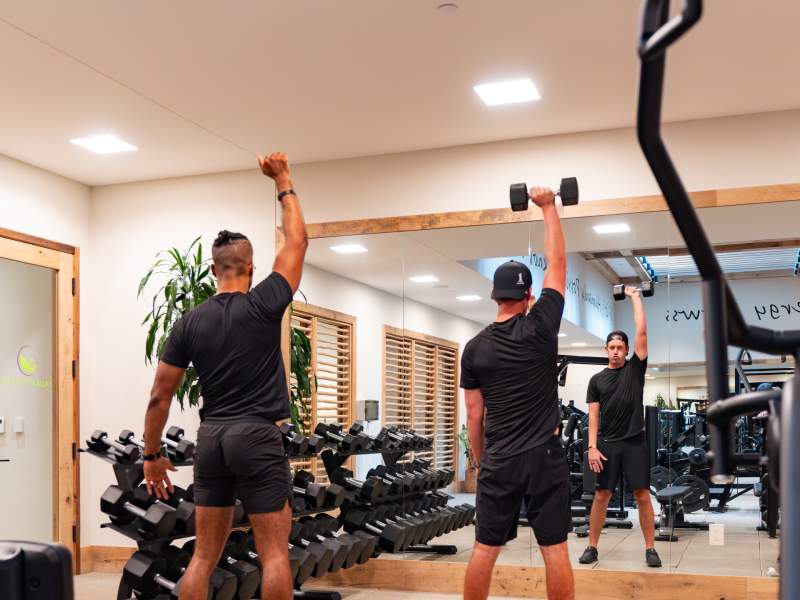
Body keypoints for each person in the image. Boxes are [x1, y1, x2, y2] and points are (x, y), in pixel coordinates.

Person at [140, 152, 307, 600]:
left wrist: (152, 454)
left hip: (212, 438)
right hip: (257, 436)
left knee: (202, 557)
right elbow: (297, 244)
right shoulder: (265, 302)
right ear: (251, 268)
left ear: (213, 270)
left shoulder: (188, 322)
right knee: (273, 555)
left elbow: (160, 396)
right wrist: (283, 181)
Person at [460, 187, 573, 600]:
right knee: (555, 549)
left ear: (495, 296)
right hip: (545, 456)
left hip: (501, 458)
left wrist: (480, 459)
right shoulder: (541, 326)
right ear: (528, 297)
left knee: (484, 549)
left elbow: (474, 416)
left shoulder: (474, 349)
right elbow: (557, 264)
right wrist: (548, 207)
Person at [579, 286, 661, 568]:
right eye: (611, 347)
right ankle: (592, 546)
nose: (615, 352)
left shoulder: (635, 370)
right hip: (607, 445)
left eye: (620, 348)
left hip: (635, 443)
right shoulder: (597, 380)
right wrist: (592, 447)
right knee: (602, 495)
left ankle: (650, 548)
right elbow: (593, 417)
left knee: (642, 495)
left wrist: (636, 298)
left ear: (627, 351)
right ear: (606, 350)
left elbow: (642, 332)